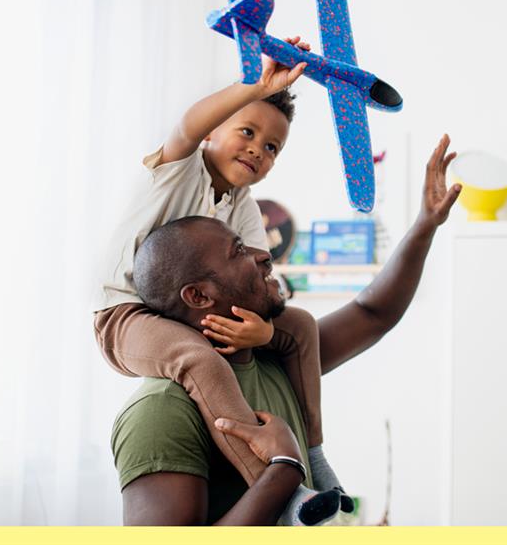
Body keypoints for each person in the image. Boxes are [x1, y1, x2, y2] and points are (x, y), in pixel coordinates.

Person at [110, 136, 461, 525]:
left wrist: (426, 225)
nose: (264, 254)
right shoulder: (163, 408)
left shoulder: (279, 359)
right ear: (198, 296)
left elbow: (374, 313)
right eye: (239, 251)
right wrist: (283, 470)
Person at [93, 36, 345, 525]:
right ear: (214, 131)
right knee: (197, 359)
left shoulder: (242, 207)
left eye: (271, 147)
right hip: (126, 315)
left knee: (300, 323)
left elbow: (260, 279)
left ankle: (314, 458)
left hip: (189, 312)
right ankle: (277, 485)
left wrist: (269, 331)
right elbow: (188, 126)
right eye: (246, 132)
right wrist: (255, 84)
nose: (257, 149)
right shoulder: (178, 170)